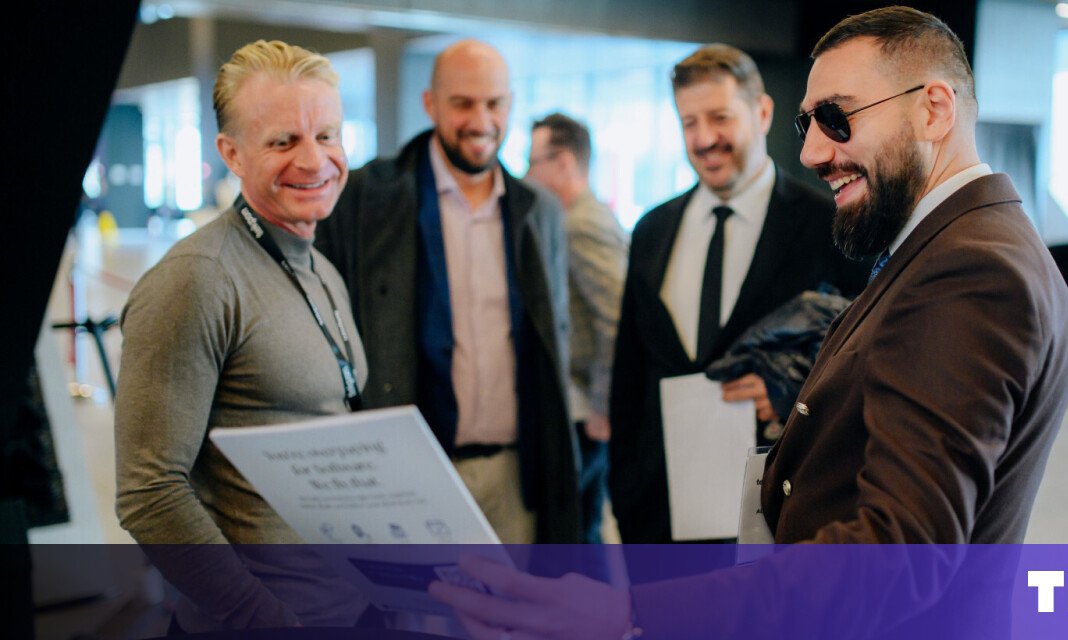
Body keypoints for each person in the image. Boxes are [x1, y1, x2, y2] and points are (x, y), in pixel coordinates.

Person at [430, 6, 1068, 638]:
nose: (814, 151)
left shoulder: (966, 271)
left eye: (838, 117)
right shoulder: (959, 247)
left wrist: (628, 611)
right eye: (808, 123)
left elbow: (894, 557)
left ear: (933, 109)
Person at [115, 40, 375, 631]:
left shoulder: (322, 269)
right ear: (231, 153)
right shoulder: (197, 279)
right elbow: (149, 492)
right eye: (284, 141)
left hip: (349, 609)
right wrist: (263, 619)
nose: (315, 160)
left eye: (327, 135)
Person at [314, 39, 579, 544]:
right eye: (462, 103)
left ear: (510, 104)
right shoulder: (367, 199)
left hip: (515, 478)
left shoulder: (539, 211)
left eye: (494, 103)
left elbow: (555, 342)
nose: (481, 121)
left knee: (518, 598)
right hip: (410, 478)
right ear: (430, 104)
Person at [608, 43, 870, 545]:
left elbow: (865, 369)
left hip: (779, 517)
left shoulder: (831, 225)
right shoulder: (652, 230)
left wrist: (791, 393)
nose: (704, 139)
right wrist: (626, 496)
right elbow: (629, 375)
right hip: (656, 520)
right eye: (689, 122)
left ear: (763, 112)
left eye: (720, 117)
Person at [525, 113, 628, 544]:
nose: (526, 175)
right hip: (586, 405)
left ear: (564, 163)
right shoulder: (586, 216)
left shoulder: (578, 225)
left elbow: (616, 318)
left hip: (586, 410)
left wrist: (603, 407)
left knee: (576, 537)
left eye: (533, 162)